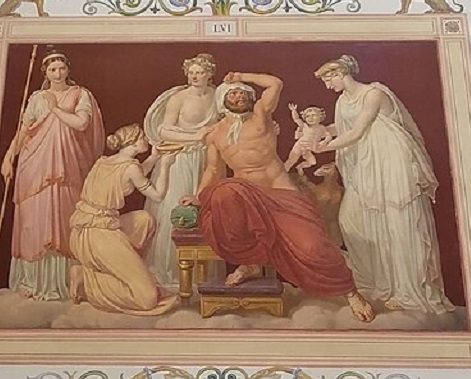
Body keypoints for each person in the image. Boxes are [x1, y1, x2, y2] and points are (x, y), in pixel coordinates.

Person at [183, 71, 374, 322]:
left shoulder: (261, 114)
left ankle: (349, 291)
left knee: (312, 247)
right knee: (223, 192)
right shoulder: (215, 134)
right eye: (232, 93)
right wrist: (197, 197)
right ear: (223, 101)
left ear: (251, 97)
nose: (238, 96)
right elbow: (212, 170)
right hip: (248, 199)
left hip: (282, 194)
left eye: (242, 92)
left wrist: (240, 75)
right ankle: (250, 263)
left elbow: (275, 83)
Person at [315, 55, 453, 316]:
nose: (327, 85)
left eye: (328, 79)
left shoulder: (374, 94)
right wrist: (320, 130)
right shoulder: (342, 100)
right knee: (350, 220)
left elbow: (357, 131)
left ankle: (408, 290)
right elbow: (343, 126)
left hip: (391, 162)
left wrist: (323, 147)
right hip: (367, 163)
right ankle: (375, 282)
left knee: (398, 224)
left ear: (340, 73)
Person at [0, 50, 105, 300]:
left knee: (64, 217)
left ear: (68, 69)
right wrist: (9, 156)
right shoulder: (37, 98)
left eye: (61, 68)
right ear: (45, 73)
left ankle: (64, 283)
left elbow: (81, 124)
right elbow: (24, 130)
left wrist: (55, 108)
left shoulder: (80, 94)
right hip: (34, 166)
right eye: (52, 70)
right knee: (34, 220)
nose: (57, 74)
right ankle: (33, 282)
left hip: (68, 165)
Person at [69, 124, 178, 315]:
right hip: (100, 236)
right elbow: (158, 195)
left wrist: (154, 157)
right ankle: (86, 280)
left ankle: (125, 271)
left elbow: (135, 174)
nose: (146, 140)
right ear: (133, 142)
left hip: (83, 232)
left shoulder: (104, 162)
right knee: (148, 298)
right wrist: (165, 166)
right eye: (143, 137)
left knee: (145, 220)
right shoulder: (131, 168)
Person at [143, 53, 221, 286]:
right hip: (180, 159)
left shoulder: (217, 95)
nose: (194, 77)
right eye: (191, 72)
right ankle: (172, 274)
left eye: (199, 73)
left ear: (209, 74)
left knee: (206, 212)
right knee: (176, 210)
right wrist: (195, 136)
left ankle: (203, 278)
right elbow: (164, 131)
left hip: (209, 159)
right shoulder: (178, 97)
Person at [283, 103, 334, 174]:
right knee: (291, 160)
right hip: (300, 145)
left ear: (320, 116)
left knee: (312, 162)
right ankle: (283, 172)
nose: (310, 118)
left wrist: (324, 142)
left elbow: (329, 136)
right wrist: (293, 110)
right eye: (307, 116)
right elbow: (296, 119)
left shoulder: (321, 128)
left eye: (313, 115)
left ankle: (300, 166)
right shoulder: (304, 126)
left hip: (308, 148)